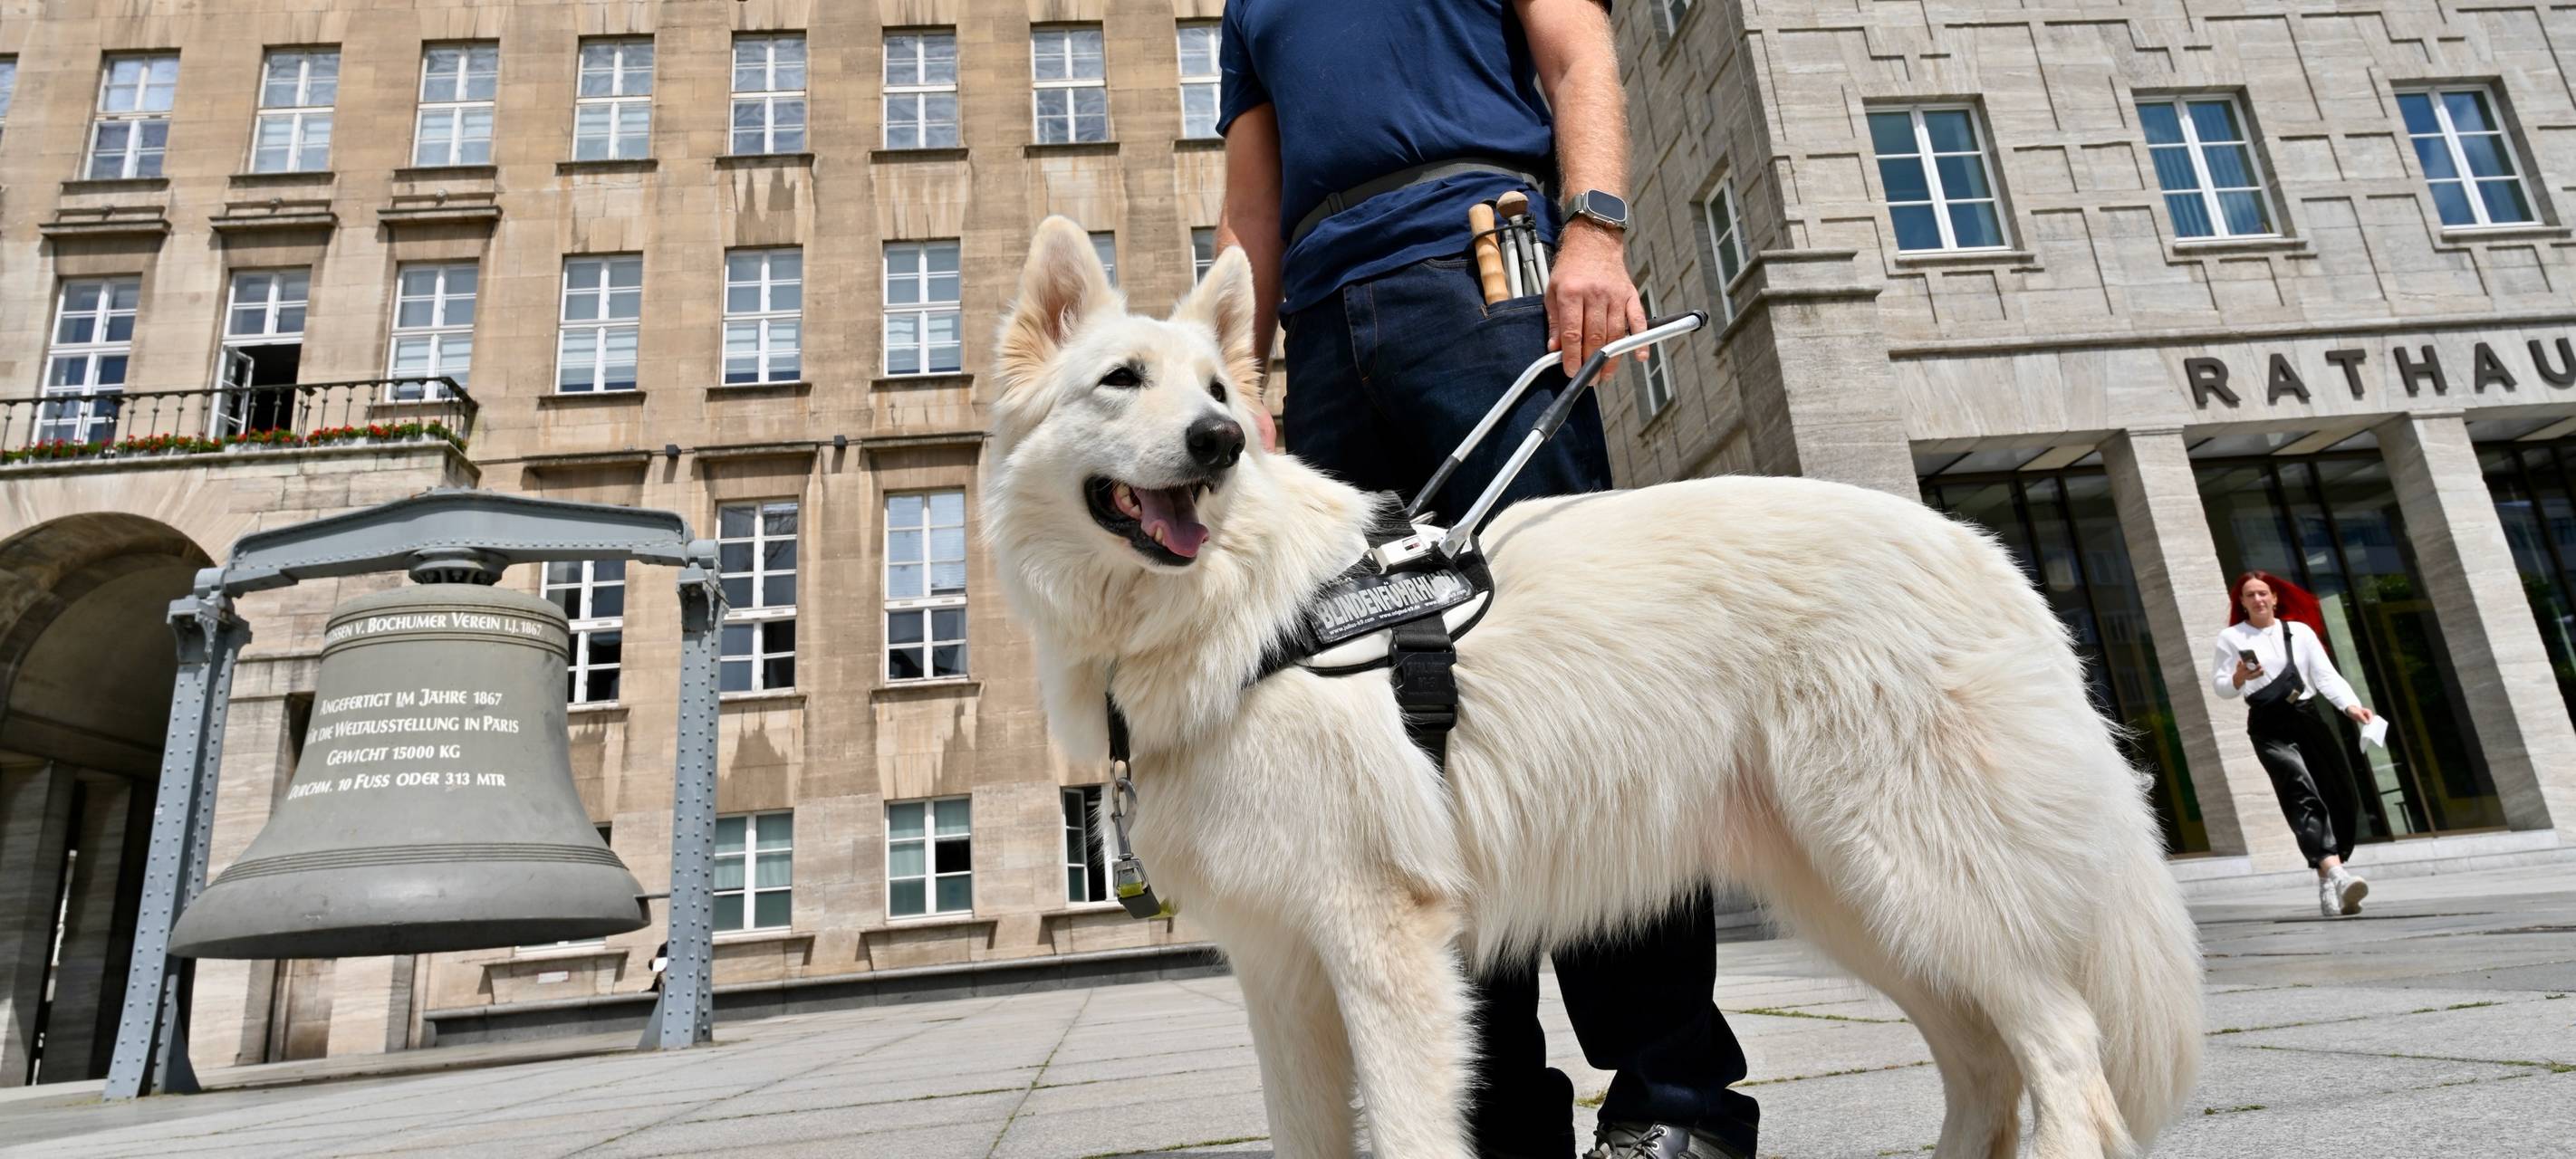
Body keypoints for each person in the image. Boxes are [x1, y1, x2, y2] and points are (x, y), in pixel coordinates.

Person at [1215, 3, 1757, 1157]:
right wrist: (1228, 376)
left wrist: (1595, 231)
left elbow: (1580, 54)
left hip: (1482, 274)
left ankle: (1677, 1097)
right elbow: (1252, 201)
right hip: (1321, 338)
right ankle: (1497, 1108)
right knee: (1401, 735)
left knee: (1588, 686)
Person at [2212, 570, 2379, 918]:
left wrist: (2351, 706)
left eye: (2263, 593)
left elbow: (2325, 675)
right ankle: (2338, 874)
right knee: (2301, 793)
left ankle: (2326, 880)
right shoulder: (2231, 638)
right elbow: (2222, 687)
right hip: (2267, 724)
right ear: (2241, 603)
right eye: (2250, 595)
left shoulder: (2298, 632)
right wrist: (2239, 677)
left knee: (2337, 793)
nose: (2258, 600)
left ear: (2274, 597)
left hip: (2306, 716)